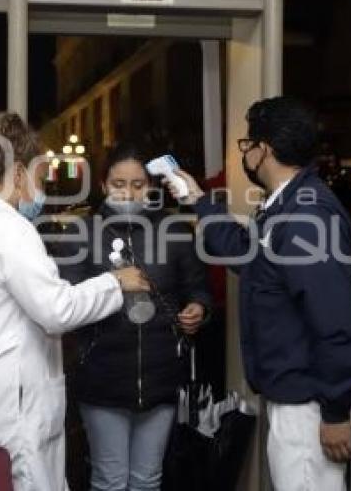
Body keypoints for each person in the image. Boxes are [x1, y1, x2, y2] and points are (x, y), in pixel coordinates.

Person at [163, 97, 351, 491]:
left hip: (311, 403)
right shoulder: (287, 207)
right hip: (300, 397)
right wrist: (199, 201)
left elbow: (338, 321)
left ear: (266, 149)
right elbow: (247, 255)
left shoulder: (308, 218)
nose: (246, 153)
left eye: (248, 144)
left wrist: (336, 411)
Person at [0, 113, 151, 491]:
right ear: (18, 173)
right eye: (39, 177)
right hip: (13, 403)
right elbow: (56, 309)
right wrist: (114, 284)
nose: (43, 189)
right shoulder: (11, 230)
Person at [56, 143, 211, 491]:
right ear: (102, 185)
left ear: (152, 187)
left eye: (139, 185)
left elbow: (198, 288)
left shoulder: (173, 230)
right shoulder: (80, 233)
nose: (128, 193)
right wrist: (112, 285)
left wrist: (198, 309)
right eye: (119, 184)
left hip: (161, 378)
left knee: (147, 479)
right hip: (102, 379)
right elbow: (66, 303)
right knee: (110, 480)